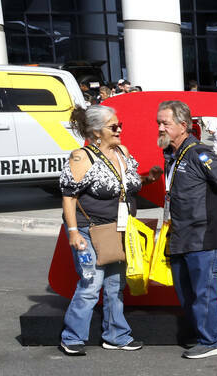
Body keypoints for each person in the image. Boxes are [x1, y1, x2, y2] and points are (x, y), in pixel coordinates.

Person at [58, 104, 161, 355]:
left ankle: (116, 335)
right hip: (90, 231)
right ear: (95, 131)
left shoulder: (122, 152)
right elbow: (68, 196)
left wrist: (149, 180)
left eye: (120, 125)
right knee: (91, 283)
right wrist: (72, 232)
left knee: (116, 284)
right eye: (113, 126)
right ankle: (72, 336)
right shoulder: (81, 157)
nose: (119, 130)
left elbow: (126, 185)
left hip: (121, 230)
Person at [157, 100, 217, 359]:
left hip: (203, 236)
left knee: (204, 292)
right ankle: (215, 330)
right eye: (158, 123)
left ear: (183, 126)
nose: (160, 128)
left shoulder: (198, 152)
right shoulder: (170, 155)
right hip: (181, 235)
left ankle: (212, 341)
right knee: (188, 293)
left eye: (165, 123)